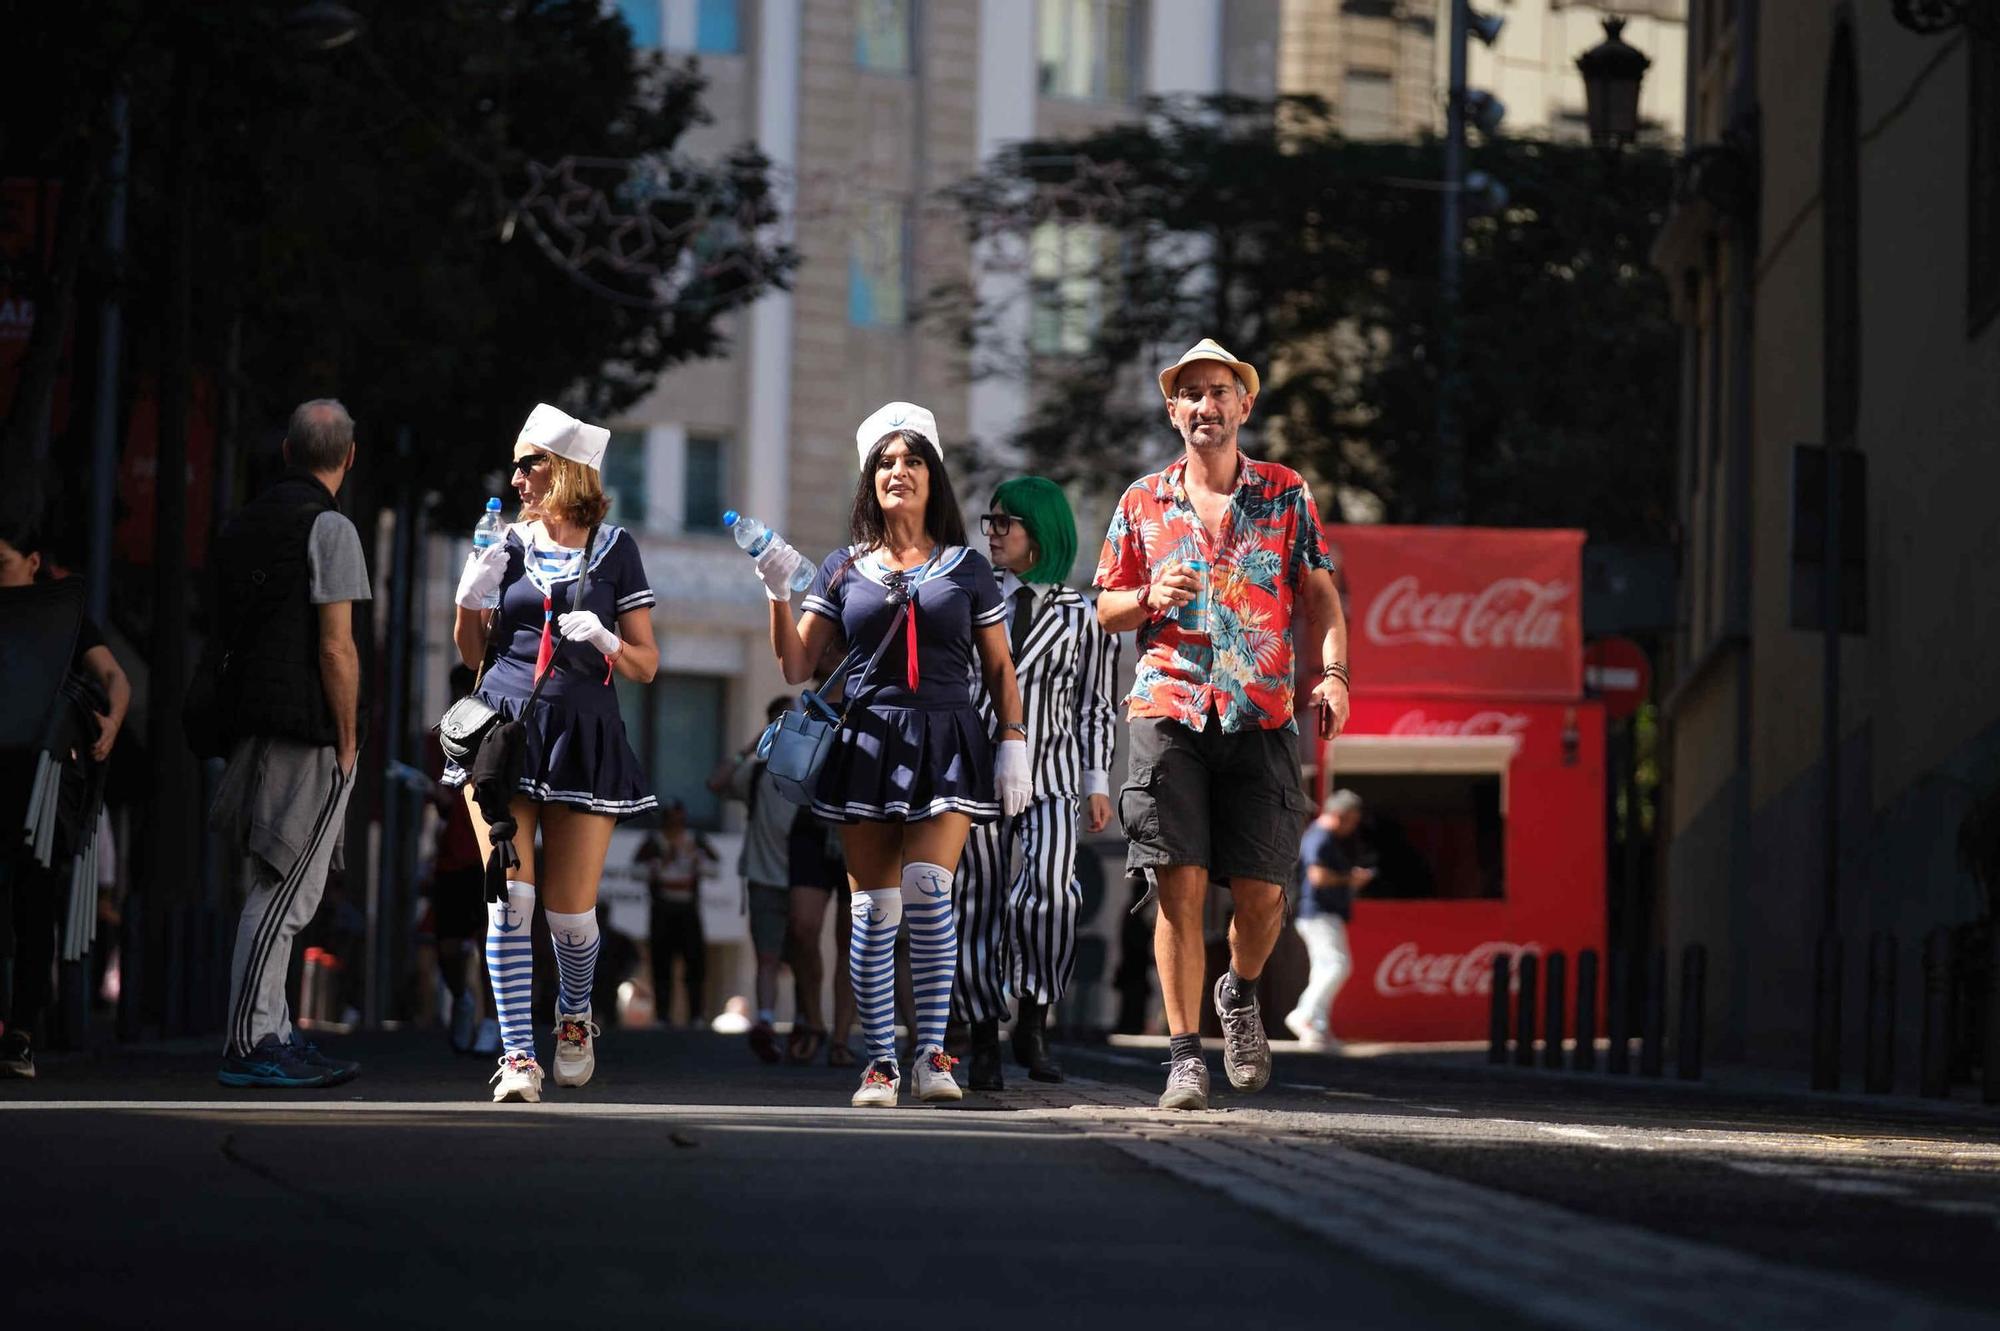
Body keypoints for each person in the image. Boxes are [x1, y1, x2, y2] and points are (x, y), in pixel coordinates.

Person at [1094, 339, 1349, 1112]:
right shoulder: (1142, 501)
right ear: (1175, 412)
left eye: (1220, 391)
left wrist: (1334, 673)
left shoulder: (1285, 492)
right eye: (1191, 394)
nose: (1206, 405)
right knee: (1180, 881)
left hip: (1262, 711)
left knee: (1264, 893)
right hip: (1168, 708)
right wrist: (1148, 599)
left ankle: (1238, 991)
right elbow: (1105, 605)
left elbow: (1323, 597)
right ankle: (1183, 1057)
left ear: (1245, 405)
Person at [758, 401, 1031, 1107]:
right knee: (874, 912)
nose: (898, 471)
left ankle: (932, 1053)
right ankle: (880, 1059)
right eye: (884, 461)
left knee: (931, 898)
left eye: (911, 459)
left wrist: (1013, 740)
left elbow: (1000, 669)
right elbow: (796, 666)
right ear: (868, 478)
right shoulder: (842, 567)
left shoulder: (968, 567)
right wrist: (776, 591)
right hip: (867, 744)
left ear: (933, 476)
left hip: (948, 738)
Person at [447, 403, 660, 1103]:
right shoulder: (503, 543)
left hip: (585, 734)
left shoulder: (616, 547)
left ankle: (574, 1014)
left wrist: (604, 638)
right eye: (515, 463)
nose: (516, 477)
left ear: (564, 469)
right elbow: (473, 654)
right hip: (505, 733)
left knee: (570, 914)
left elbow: (647, 665)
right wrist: (467, 602)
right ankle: (516, 1055)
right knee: (508, 898)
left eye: (528, 461)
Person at [208, 400, 368, 1089]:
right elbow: (337, 645)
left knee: (275, 886)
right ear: (349, 457)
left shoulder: (245, 521)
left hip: (249, 720)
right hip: (306, 728)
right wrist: (349, 738)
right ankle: (250, 1041)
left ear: (285, 453)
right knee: (282, 892)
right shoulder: (330, 527)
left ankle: (271, 1028)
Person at [953, 477, 1120, 1089]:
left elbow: (1096, 705)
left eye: (1005, 524)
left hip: (1052, 775)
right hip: (974, 774)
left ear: (1039, 533)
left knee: (1053, 891)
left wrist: (1097, 780)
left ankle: (1033, 1014)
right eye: (989, 523)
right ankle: (981, 1037)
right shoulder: (971, 598)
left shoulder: (1085, 615)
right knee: (975, 900)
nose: (992, 534)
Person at [0, 504, 131, 1079]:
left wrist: (113, 717)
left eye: (1, 563)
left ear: (31, 562)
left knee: (33, 903)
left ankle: (21, 1031)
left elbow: (113, 678)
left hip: (39, 783)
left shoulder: (63, 617)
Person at [707, 698, 801, 1062]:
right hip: (764, 876)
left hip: (807, 880)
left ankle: (807, 1023)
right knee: (767, 957)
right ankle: (765, 1022)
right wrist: (752, 745)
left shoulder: (813, 766)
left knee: (805, 957)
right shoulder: (759, 771)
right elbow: (716, 782)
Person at [426, 665, 497, 1054]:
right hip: (452, 860)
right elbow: (437, 798)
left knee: (493, 943)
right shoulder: (437, 739)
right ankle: (463, 1000)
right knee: (448, 948)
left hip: (491, 857)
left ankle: (491, 1020)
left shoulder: (498, 735)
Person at [1284, 789, 1375, 1052]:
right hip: (1318, 913)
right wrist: (1350, 878)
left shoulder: (1321, 836)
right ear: (1339, 815)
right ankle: (1305, 1016)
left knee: (1323, 969)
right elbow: (1318, 878)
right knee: (1338, 964)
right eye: (1352, 820)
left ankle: (1316, 1029)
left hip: (1320, 912)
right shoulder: (1320, 838)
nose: (1353, 826)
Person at [636, 801, 716, 1027]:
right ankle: (662, 1015)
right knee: (661, 963)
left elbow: (715, 867)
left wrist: (696, 861)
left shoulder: (695, 841)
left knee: (695, 963)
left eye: (679, 821)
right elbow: (635, 870)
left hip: (688, 909)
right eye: (672, 821)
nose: (676, 825)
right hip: (662, 909)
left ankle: (696, 1015)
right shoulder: (654, 842)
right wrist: (659, 863)